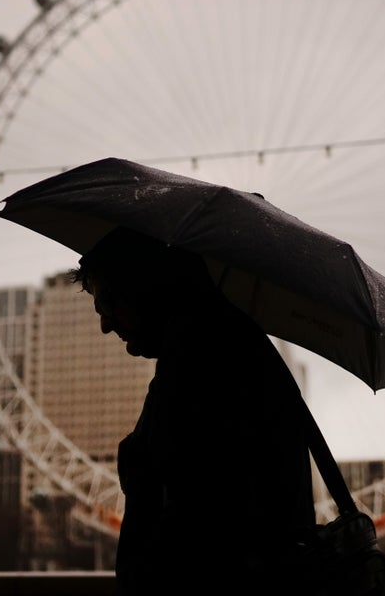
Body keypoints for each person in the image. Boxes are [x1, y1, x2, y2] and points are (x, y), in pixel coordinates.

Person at [72, 227, 318, 595]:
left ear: (145, 285)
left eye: (108, 305)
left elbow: (197, 523)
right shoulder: (224, 343)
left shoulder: (202, 364)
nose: (106, 325)